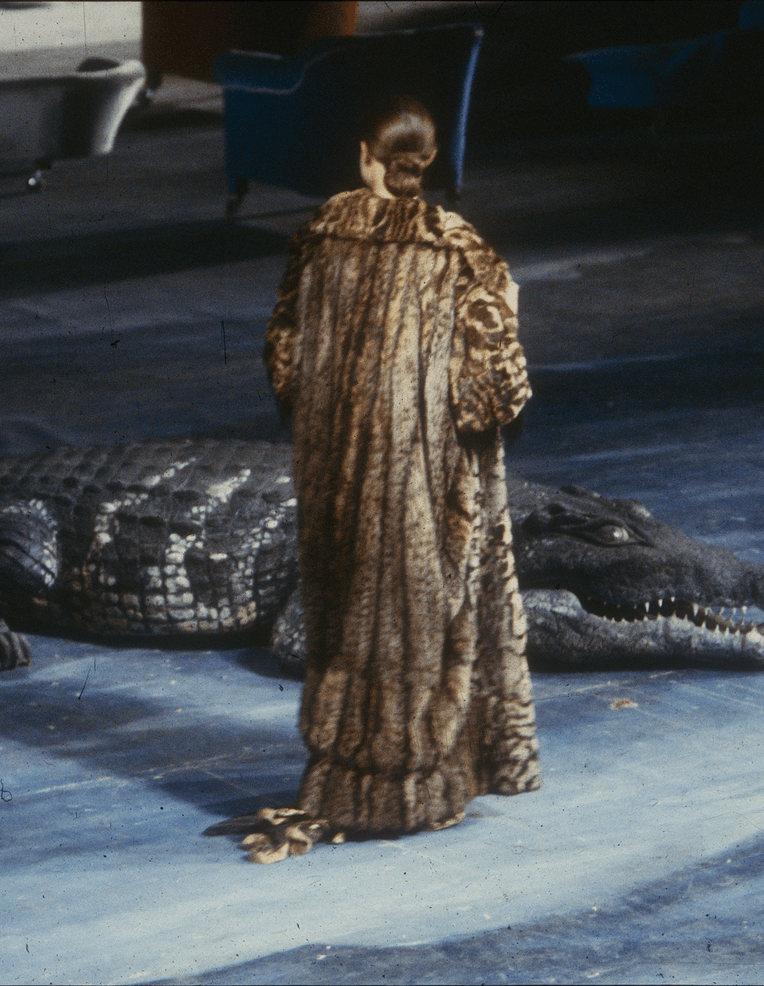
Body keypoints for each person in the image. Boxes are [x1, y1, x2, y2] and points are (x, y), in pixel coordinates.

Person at [244, 94, 540, 862]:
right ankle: (416, 790)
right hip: (421, 477)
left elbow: (282, 349)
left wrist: (320, 417)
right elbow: (497, 388)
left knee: (341, 615)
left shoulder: (318, 233)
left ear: (364, 158)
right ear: (428, 164)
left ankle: (335, 783)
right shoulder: (460, 248)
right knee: (420, 618)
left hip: (330, 469)